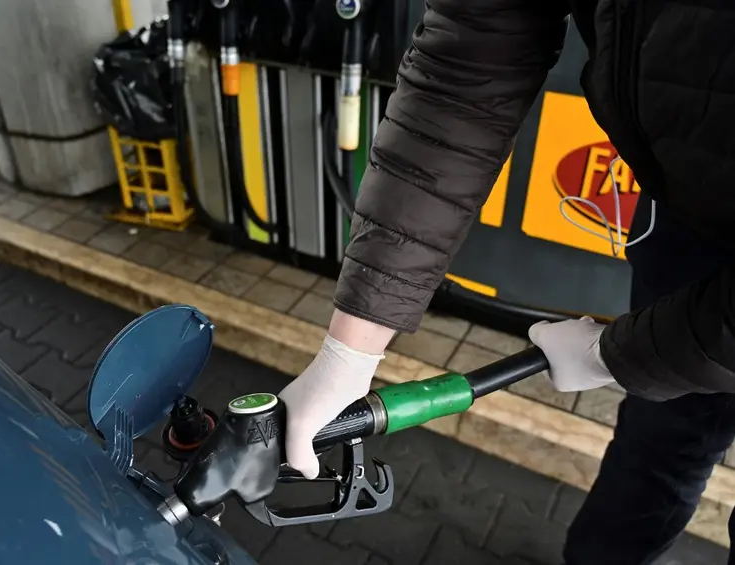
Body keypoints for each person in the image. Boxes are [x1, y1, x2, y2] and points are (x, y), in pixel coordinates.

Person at [277, 1, 735, 564]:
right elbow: (466, 67)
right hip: (690, 214)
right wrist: (348, 352)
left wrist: (618, 355)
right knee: (663, 434)